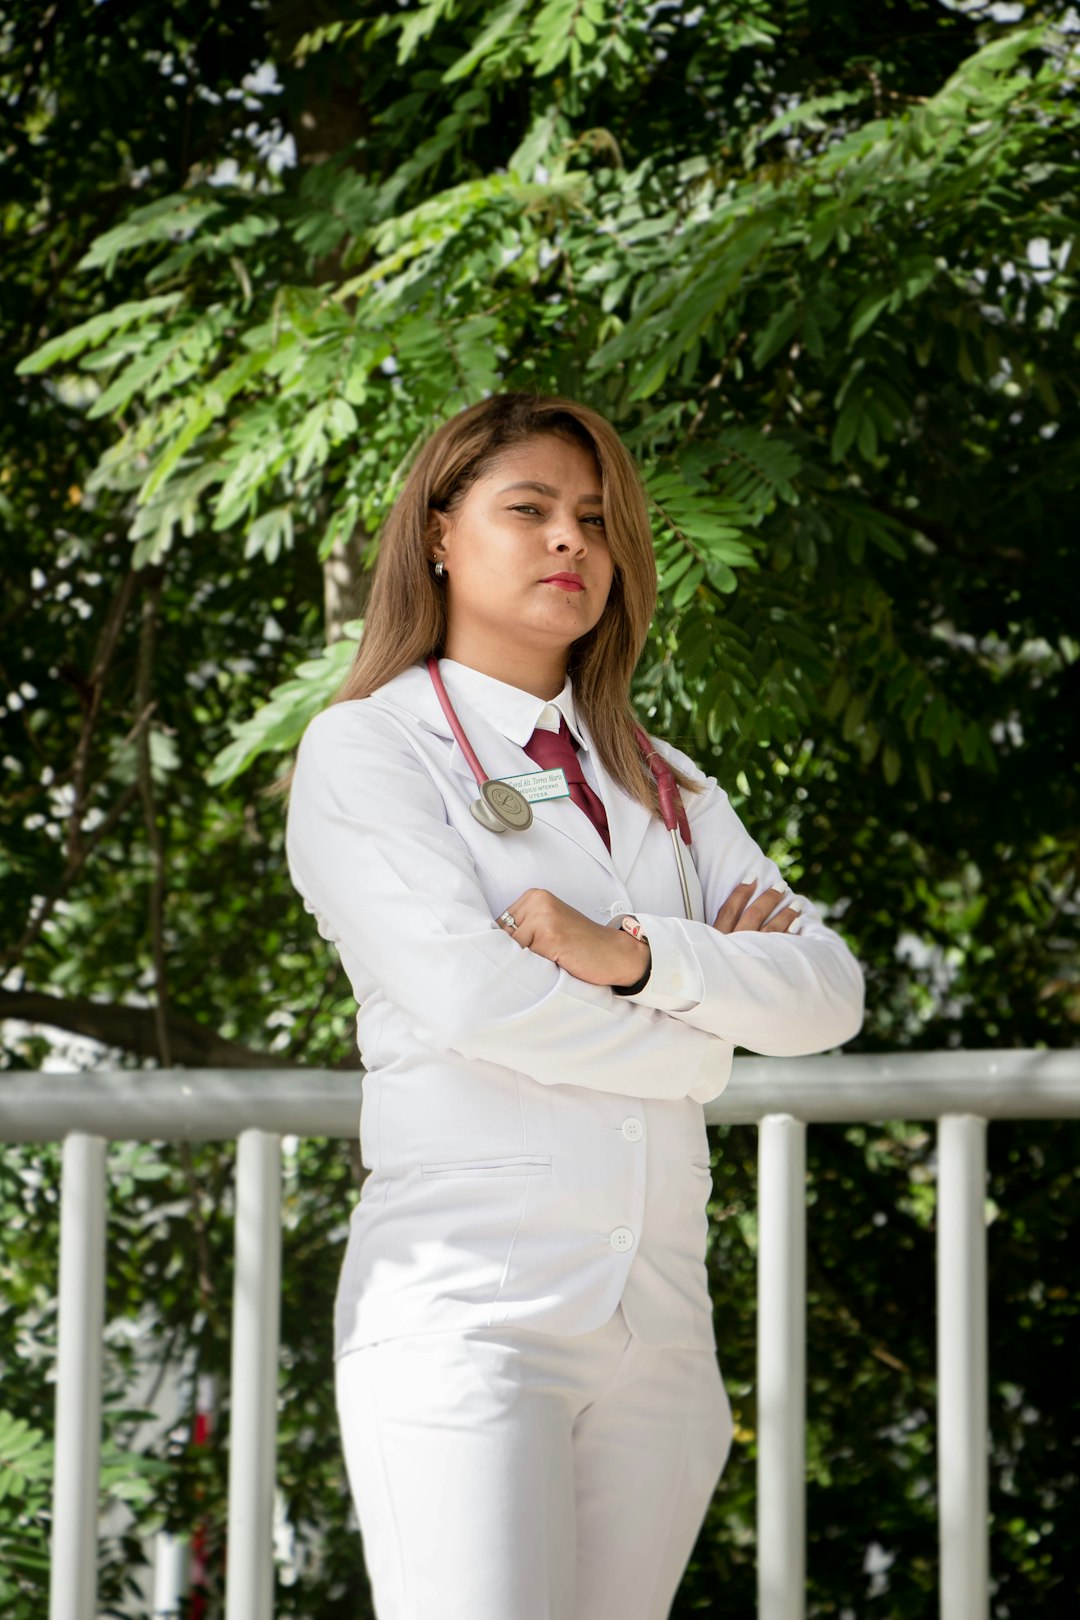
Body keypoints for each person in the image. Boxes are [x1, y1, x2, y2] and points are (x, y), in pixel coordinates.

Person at [283, 392, 864, 1620]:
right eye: (530, 510)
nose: (572, 545)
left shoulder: (665, 782)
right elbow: (471, 994)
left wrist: (639, 956)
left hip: (658, 1333)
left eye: (596, 521)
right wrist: (706, 1048)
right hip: (470, 1317)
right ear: (438, 533)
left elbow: (827, 994)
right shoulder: (370, 752)